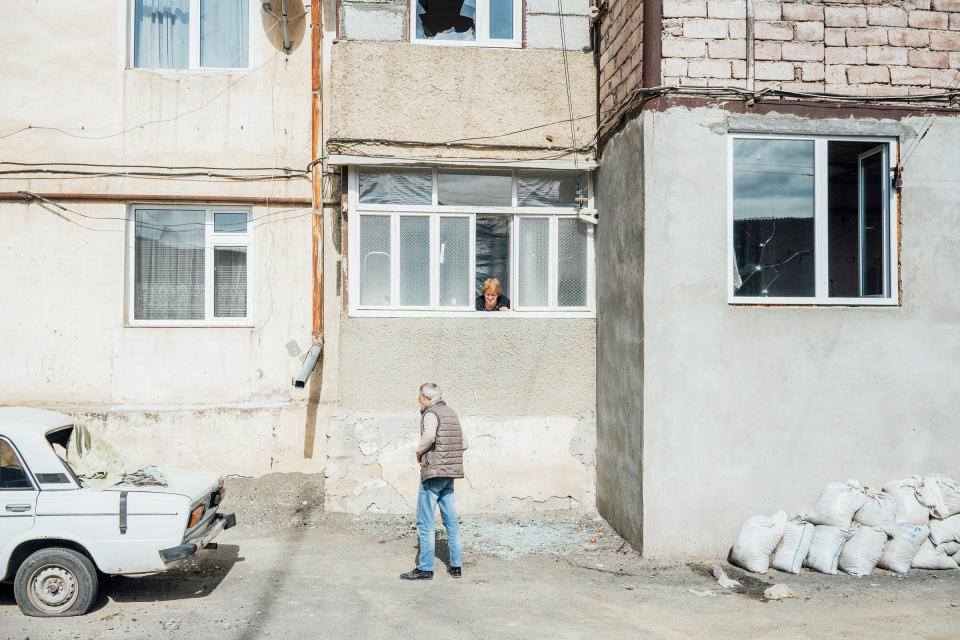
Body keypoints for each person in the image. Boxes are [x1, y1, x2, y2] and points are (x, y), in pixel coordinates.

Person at [400, 383, 467, 580]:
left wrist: (418, 452)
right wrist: (448, 457)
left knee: (425, 522)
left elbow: (429, 436)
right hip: (449, 474)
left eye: (420, 397)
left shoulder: (431, 414)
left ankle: (425, 568)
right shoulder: (451, 413)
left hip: (433, 473)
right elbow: (465, 443)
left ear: (427, 399)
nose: (418, 401)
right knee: (451, 521)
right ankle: (456, 566)